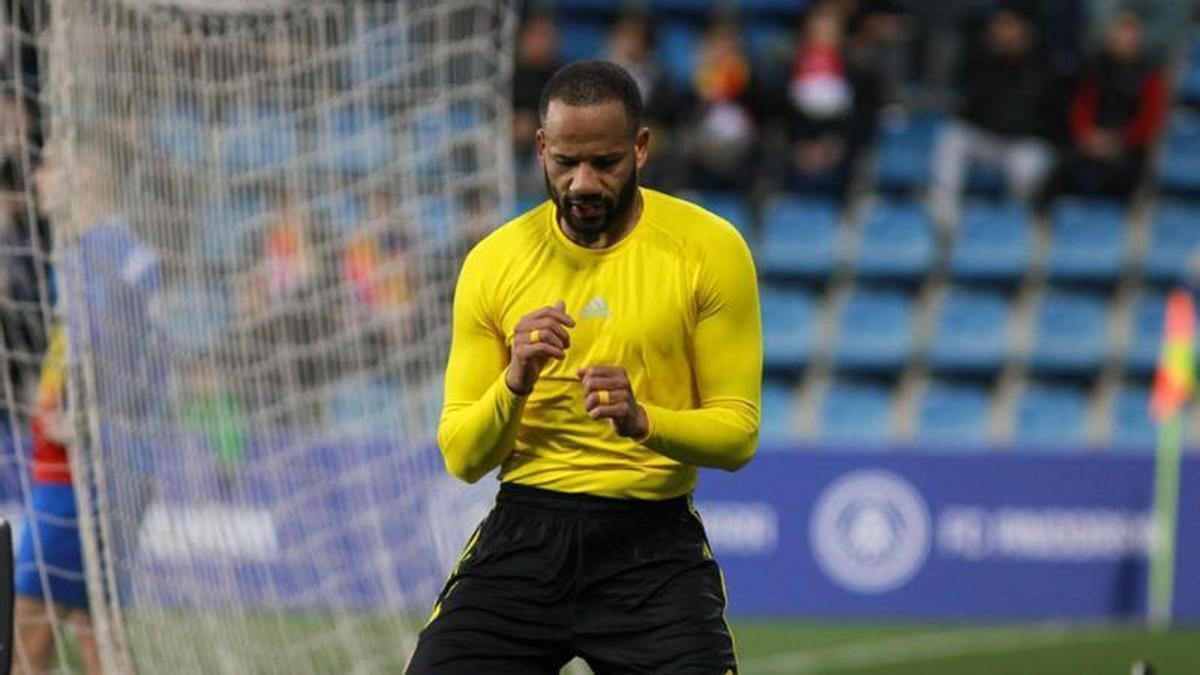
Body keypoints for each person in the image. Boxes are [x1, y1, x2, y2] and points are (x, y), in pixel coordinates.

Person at [406, 60, 762, 674]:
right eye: (565, 162)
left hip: (652, 551)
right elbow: (463, 457)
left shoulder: (709, 249)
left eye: (605, 162)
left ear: (641, 147)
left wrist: (644, 420)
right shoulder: (494, 262)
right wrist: (514, 380)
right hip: (523, 537)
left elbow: (737, 435)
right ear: (541, 147)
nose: (583, 184)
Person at [13, 324, 103, 675]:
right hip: (72, 492)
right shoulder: (72, 330)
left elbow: (68, 421)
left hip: (63, 493)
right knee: (96, 639)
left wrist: (70, 427)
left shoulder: (85, 333)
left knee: (25, 644)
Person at [930, 8, 1056, 225]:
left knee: (1029, 165)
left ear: (1025, 31)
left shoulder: (1043, 64)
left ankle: (1015, 222)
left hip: (1022, 143)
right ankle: (945, 220)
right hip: (988, 139)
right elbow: (968, 105)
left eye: (1009, 26)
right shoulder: (983, 60)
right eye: (999, 26)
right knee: (951, 138)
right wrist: (994, 58)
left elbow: (1044, 114)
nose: (1003, 32)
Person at [1040, 9, 1167, 205]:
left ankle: (1126, 229)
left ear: (1139, 40)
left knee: (1130, 175)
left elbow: (1149, 120)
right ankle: (1044, 226)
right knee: (1058, 169)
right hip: (1089, 141)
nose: (1125, 42)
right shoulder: (1094, 68)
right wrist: (1089, 136)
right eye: (1120, 35)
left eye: (1130, 37)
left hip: (1128, 146)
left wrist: (1119, 140)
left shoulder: (1150, 75)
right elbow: (1080, 107)